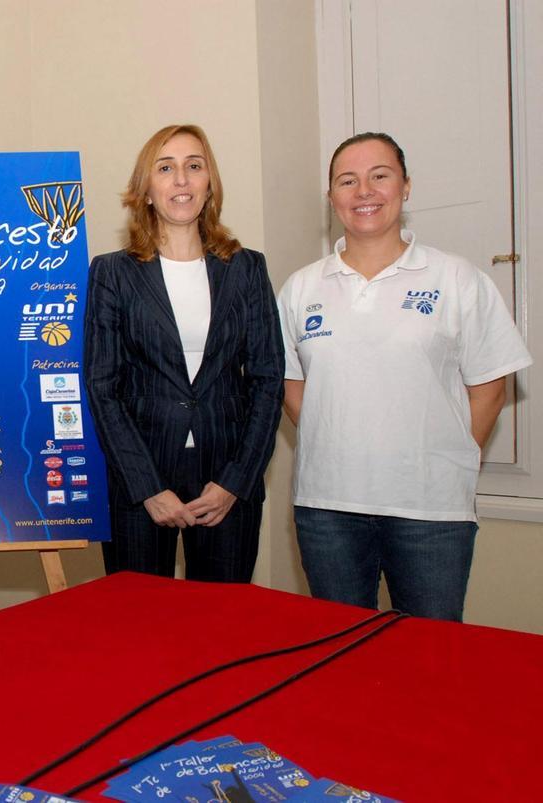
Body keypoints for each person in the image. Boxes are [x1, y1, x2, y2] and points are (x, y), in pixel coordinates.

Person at [279, 132, 532, 621]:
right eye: (347, 181)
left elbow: (489, 389)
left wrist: (448, 462)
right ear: (331, 198)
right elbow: (293, 386)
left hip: (431, 513)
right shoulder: (300, 288)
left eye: (380, 176)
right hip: (326, 509)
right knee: (338, 656)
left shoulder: (457, 279)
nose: (364, 191)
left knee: (428, 664)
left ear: (406, 186)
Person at [84, 124, 283, 582]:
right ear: (146, 190)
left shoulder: (247, 268)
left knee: (222, 629)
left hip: (228, 478)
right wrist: (148, 488)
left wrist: (236, 481)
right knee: (140, 631)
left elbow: (268, 380)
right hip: (141, 479)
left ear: (209, 184)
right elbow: (102, 386)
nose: (182, 179)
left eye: (194, 166)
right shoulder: (113, 273)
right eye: (166, 168)